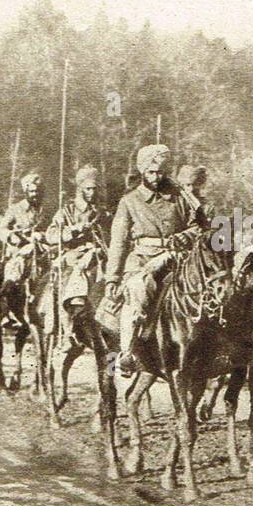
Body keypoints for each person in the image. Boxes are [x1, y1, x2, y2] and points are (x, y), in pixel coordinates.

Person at [105, 144, 209, 375]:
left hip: (179, 259)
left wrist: (183, 236)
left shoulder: (180, 197)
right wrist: (112, 277)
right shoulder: (129, 201)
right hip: (143, 260)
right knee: (138, 291)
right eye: (151, 172)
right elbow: (118, 242)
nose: (156, 176)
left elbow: (197, 227)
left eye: (160, 172)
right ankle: (127, 353)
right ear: (142, 171)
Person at [47, 166, 106, 308]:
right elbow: (51, 235)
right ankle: (75, 298)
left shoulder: (103, 212)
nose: (92, 192)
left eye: (95, 189)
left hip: (100, 253)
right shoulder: (68, 211)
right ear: (80, 189)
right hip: (75, 254)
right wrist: (73, 230)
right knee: (77, 272)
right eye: (88, 189)